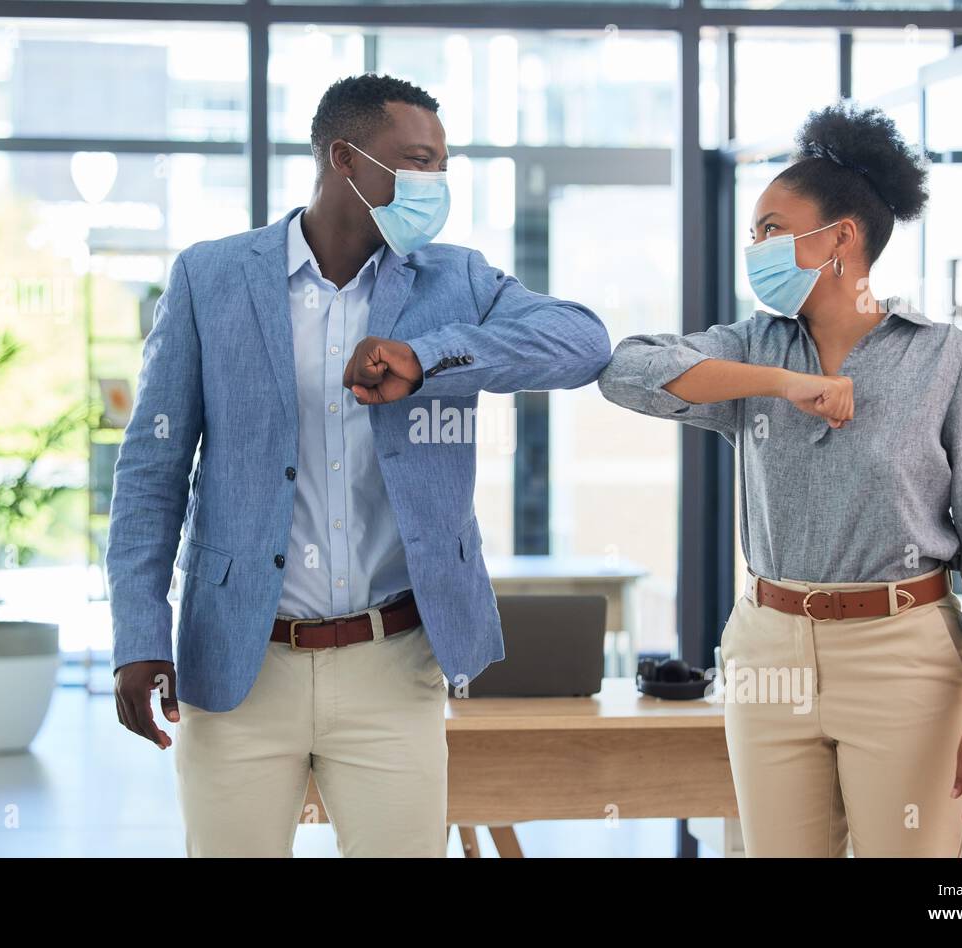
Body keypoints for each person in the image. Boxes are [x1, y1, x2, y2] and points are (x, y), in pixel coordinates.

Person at [107, 74, 610, 857]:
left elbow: (583, 342)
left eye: (444, 166)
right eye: (417, 162)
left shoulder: (457, 281)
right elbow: (151, 470)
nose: (435, 185)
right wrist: (139, 634)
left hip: (393, 664)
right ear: (344, 158)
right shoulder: (210, 278)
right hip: (240, 661)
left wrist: (429, 354)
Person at [598, 103, 962, 857]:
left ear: (839, 239)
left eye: (770, 228)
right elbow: (624, 371)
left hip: (904, 655)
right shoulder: (750, 348)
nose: (754, 246)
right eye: (753, 233)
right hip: (769, 651)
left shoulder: (942, 356)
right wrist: (779, 384)